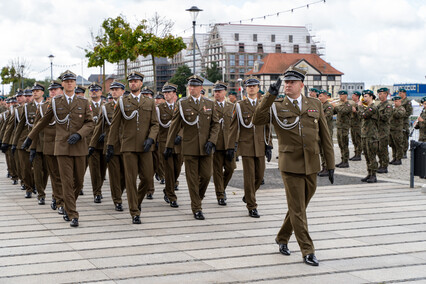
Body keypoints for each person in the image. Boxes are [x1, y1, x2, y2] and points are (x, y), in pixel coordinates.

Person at [253, 66, 334, 267]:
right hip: (290, 164)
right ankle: (308, 250)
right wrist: (269, 96)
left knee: (299, 207)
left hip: (312, 164)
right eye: (286, 82)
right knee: (298, 210)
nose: (287, 85)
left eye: (292, 82)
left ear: (301, 85)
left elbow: (325, 136)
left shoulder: (314, 104)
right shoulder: (277, 105)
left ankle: (282, 237)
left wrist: (330, 164)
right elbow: (257, 120)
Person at [23, 70, 94, 227]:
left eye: (72, 81)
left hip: (79, 147)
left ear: (75, 83)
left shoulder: (83, 102)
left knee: (79, 182)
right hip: (61, 147)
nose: (69, 83)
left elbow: (90, 123)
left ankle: (69, 205)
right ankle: (72, 213)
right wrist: (30, 138)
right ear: (63, 84)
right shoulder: (55, 103)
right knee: (66, 181)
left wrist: (79, 134)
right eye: (67, 81)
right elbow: (41, 122)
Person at [106, 71, 159, 224]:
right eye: (131, 81)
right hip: (128, 146)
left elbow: (155, 124)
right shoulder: (122, 102)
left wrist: (151, 138)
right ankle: (134, 212)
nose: (133, 83)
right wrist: (110, 145)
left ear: (141, 83)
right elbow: (114, 125)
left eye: (136, 81)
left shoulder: (149, 102)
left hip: (145, 146)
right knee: (130, 180)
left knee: (148, 178)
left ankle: (136, 200)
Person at [164, 75, 219, 220]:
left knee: (207, 176)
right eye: (190, 86)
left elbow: (216, 125)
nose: (191, 88)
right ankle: (196, 207)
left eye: (194, 86)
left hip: (206, 147)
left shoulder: (210, 104)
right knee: (192, 179)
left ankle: (197, 199)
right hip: (189, 147)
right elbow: (174, 125)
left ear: (201, 88)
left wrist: (212, 141)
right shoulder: (183, 104)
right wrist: (169, 145)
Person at [227, 76, 272, 218]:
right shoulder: (239, 105)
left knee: (260, 176)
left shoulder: (263, 104)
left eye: (254, 86)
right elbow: (233, 127)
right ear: (246, 88)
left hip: (260, 145)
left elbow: (267, 127)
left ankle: (248, 195)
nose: (251, 88)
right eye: (249, 86)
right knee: (249, 176)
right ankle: (252, 206)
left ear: (258, 88)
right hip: (246, 146)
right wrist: (230, 146)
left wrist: (269, 145)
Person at [90, 81, 126, 211]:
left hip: (127, 145)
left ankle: (119, 193)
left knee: (126, 176)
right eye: (112, 89)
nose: (114, 92)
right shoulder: (106, 107)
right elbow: (99, 126)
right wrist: (92, 145)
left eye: (117, 89)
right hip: (111, 145)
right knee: (114, 175)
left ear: (123, 90)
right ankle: (117, 200)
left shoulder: (130, 105)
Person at [157, 82, 182, 208]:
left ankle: (168, 189)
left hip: (179, 144)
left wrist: (181, 135)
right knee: (169, 170)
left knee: (177, 170)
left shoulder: (181, 107)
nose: (166, 95)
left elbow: (186, 123)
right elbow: (156, 126)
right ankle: (171, 196)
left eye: (168, 92)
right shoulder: (160, 108)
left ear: (174, 94)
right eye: (165, 93)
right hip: (165, 143)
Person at [212, 81, 236, 206]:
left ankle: (222, 188)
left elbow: (236, 126)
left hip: (229, 144)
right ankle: (220, 195)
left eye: (219, 91)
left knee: (230, 169)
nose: (217, 93)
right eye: (215, 91)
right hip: (216, 144)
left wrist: (235, 144)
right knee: (216, 171)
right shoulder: (210, 106)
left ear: (224, 92)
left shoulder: (231, 107)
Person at [12, 88, 35, 198]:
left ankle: (36, 185)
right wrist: (14, 143)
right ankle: (28, 188)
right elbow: (17, 128)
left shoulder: (40, 107)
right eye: (26, 96)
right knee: (25, 167)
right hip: (22, 141)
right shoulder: (19, 110)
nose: (27, 98)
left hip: (36, 141)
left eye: (29, 95)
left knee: (37, 168)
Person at [87, 82, 106, 203]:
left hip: (104, 141)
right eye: (92, 90)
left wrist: (106, 134)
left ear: (101, 92)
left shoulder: (107, 105)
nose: (94, 92)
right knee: (94, 169)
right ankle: (97, 192)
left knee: (103, 169)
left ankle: (100, 188)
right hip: (91, 142)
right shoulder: (85, 105)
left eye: (96, 90)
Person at [359, 90, 379, 183]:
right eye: (364, 96)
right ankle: (369, 173)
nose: (364, 98)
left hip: (371, 135)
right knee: (367, 155)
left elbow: (364, 115)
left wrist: (359, 106)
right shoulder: (367, 107)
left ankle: (374, 175)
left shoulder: (373, 107)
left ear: (371, 97)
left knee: (371, 156)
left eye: (366, 96)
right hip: (365, 135)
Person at [332, 90, 352, 168]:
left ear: (345, 96)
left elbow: (343, 111)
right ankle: (342, 160)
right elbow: (334, 112)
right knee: (341, 144)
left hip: (344, 127)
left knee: (344, 145)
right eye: (339, 95)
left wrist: (335, 106)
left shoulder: (348, 105)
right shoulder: (340, 105)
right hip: (339, 127)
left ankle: (345, 161)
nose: (340, 97)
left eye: (341, 95)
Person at [317, 90, 334, 176]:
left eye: (320, 96)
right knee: (321, 150)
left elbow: (325, 117)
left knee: (325, 150)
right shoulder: (320, 106)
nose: (319, 98)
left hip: (327, 131)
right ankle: (323, 167)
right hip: (319, 131)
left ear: (326, 96)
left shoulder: (329, 106)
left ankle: (327, 167)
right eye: (319, 96)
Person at [376, 88, 393, 173]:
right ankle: (381, 164)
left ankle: (384, 166)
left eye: (382, 94)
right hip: (377, 130)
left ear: (386, 94)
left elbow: (386, 117)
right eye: (379, 94)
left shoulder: (388, 105)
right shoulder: (379, 105)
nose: (380, 95)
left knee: (383, 149)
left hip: (384, 130)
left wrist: (376, 114)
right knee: (378, 149)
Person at [389, 96, 406, 165]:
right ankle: (394, 157)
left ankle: (399, 158)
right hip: (391, 129)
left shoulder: (401, 109)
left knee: (398, 144)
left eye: (396, 101)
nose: (395, 103)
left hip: (397, 129)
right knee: (392, 144)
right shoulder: (394, 109)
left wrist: (392, 110)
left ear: (400, 101)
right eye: (394, 101)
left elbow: (398, 115)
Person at [399, 88, 413, 158]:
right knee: (399, 137)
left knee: (404, 137)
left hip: (404, 122)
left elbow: (409, 112)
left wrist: (401, 115)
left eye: (400, 93)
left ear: (404, 93)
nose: (399, 94)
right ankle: (399, 152)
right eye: (399, 93)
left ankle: (404, 152)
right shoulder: (399, 101)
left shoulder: (407, 101)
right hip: (398, 123)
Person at [349, 91, 362, 161]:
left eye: (353, 95)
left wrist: (355, 111)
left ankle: (358, 154)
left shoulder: (360, 104)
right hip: (352, 124)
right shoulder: (353, 104)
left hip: (358, 125)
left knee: (358, 140)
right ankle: (356, 153)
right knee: (354, 140)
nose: (352, 97)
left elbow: (361, 115)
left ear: (357, 96)